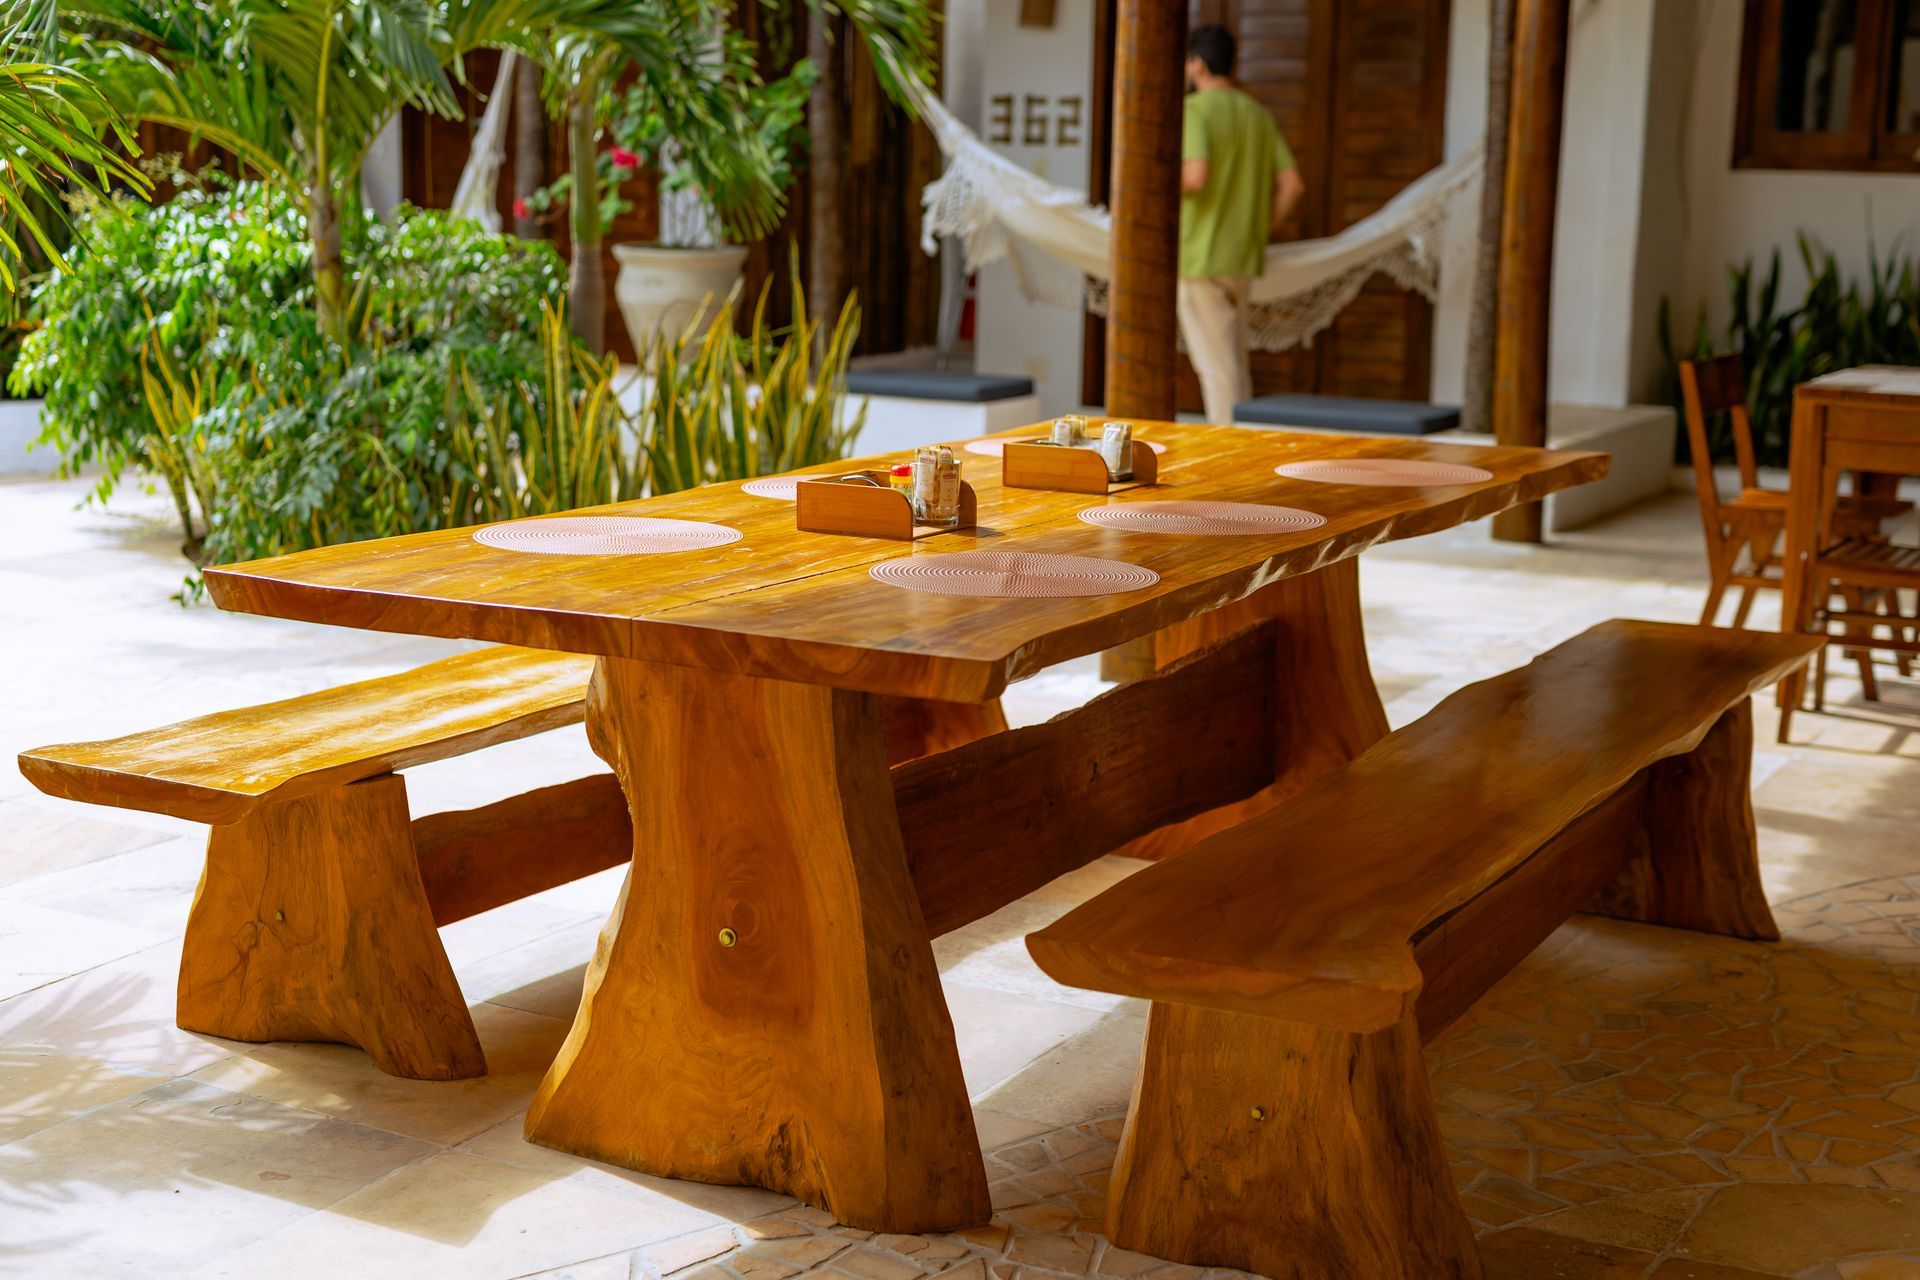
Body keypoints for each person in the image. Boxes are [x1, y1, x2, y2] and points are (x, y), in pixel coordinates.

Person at [1178, 25, 1304, 425]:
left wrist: (1151, 181)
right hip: (1242, 257)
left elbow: (1195, 176)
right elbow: (1293, 185)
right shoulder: (1257, 114)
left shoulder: (1194, 110)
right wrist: (1260, 228)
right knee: (1234, 368)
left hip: (1200, 257)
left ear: (1197, 64)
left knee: (1218, 372)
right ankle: (1245, 444)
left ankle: (1229, 454)